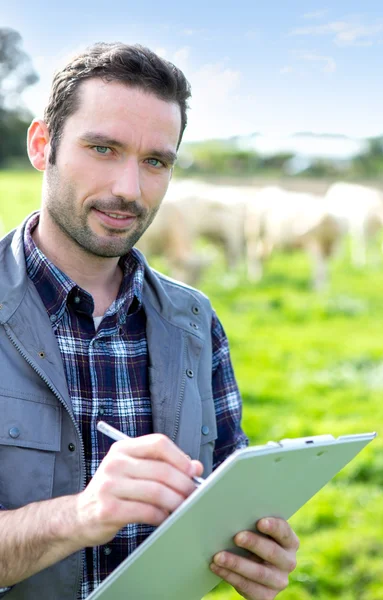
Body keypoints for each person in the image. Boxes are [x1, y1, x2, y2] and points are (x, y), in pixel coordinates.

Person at [0, 42, 299, 600]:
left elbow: (220, 498)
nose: (129, 191)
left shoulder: (195, 321)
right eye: (103, 148)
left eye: (155, 161)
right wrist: (80, 515)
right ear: (43, 145)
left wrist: (250, 550)